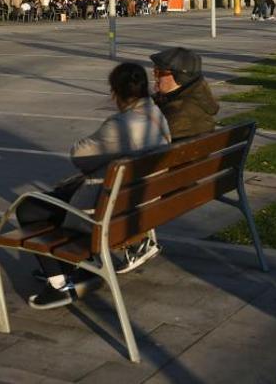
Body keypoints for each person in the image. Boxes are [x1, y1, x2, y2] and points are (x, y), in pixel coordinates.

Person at [17, 62, 171, 309]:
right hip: (140, 205)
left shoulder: (120, 126)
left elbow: (80, 156)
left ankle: (60, 282)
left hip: (105, 214)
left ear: (115, 92)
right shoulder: (155, 114)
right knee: (54, 198)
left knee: (28, 208)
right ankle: (75, 269)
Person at [150, 47, 219, 141]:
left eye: (159, 72)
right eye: (154, 71)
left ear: (179, 77)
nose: (155, 76)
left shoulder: (178, 114)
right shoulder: (197, 98)